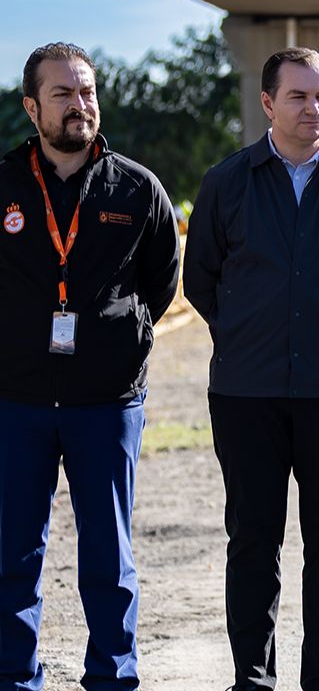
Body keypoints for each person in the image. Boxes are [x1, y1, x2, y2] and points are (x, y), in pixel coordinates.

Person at [183, 46, 319, 691]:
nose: (315, 109)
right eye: (300, 96)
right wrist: (252, 335)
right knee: (253, 541)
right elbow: (202, 281)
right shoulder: (227, 181)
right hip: (246, 392)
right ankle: (252, 679)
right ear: (268, 103)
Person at [0, 42, 181, 690]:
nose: (80, 107)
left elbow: (162, 283)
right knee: (12, 555)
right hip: (15, 401)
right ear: (31, 107)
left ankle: (112, 677)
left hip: (107, 402)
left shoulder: (136, 188)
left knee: (108, 556)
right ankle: (15, 678)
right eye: (63, 94)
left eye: (87, 93)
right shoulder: (4, 186)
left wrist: (115, 338)